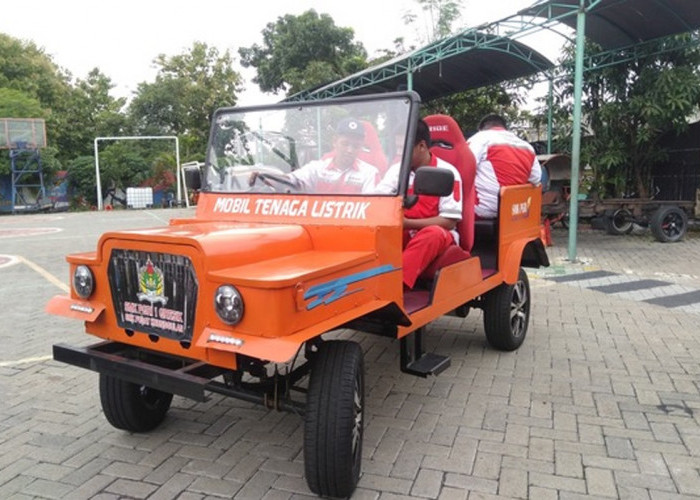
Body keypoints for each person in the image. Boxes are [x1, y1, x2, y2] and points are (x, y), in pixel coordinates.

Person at [376, 119, 463, 290]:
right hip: (403, 229)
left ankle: (395, 287)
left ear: (422, 146)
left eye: (404, 149)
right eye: (398, 148)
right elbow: (379, 200)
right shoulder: (397, 171)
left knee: (433, 233)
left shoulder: (447, 173)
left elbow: (449, 221)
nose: (400, 154)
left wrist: (407, 224)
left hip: (438, 235)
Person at [250, 117, 379, 194]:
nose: (350, 150)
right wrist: (265, 176)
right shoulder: (317, 168)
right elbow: (291, 180)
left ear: (361, 147)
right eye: (345, 143)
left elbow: (372, 207)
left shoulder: (369, 173)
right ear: (335, 142)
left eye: (356, 146)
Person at [467, 114, 542, 219]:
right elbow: (536, 179)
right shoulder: (527, 146)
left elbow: (463, 169)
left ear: (481, 128)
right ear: (504, 128)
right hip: (515, 210)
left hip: (484, 210)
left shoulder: (480, 138)